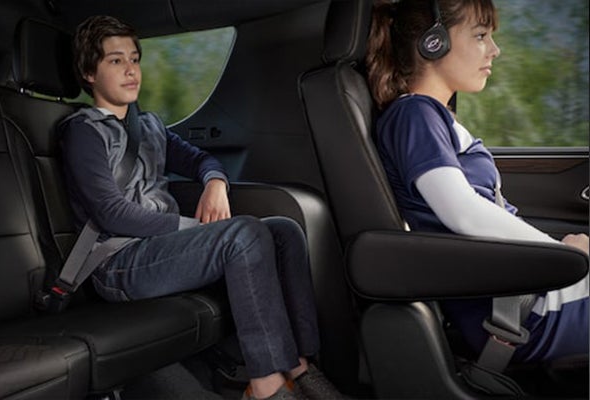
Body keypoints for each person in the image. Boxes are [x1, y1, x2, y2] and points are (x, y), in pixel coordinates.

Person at [59, 15, 344, 400]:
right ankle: (265, 385)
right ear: (89, 73)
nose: (130, 69)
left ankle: (299, 365)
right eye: (115, 60)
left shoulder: (150, 127)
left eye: (134, 59)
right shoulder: (83, 131)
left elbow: (201, 160)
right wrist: (190, 227)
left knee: (284, 231)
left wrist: (215, 183)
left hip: (159, 250)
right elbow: (110, 212)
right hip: (119, 260)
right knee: (243, 235)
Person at [366, 0, 589, 365]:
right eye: (481, 36)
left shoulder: (433, 117)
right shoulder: (415, 114)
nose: (495, 50)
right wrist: (563, 256)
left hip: (524, 291)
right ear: (433, 43)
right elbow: (463, 213)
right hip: (522, 311)